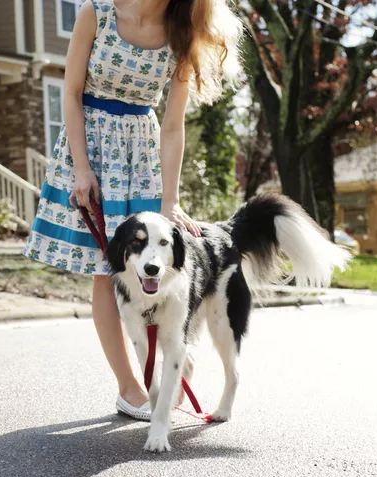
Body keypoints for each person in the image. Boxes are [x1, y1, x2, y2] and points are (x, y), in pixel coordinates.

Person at [23, 0, 242, 420]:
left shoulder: (183, 31)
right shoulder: (97, 14)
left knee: (155, 274)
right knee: (108, 274)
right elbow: (69, 93)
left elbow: (174, 124)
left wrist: (170, 201)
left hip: (141, 156)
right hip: (91, 150)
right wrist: (82, 170)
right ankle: (129, 387)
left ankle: (173, 369)